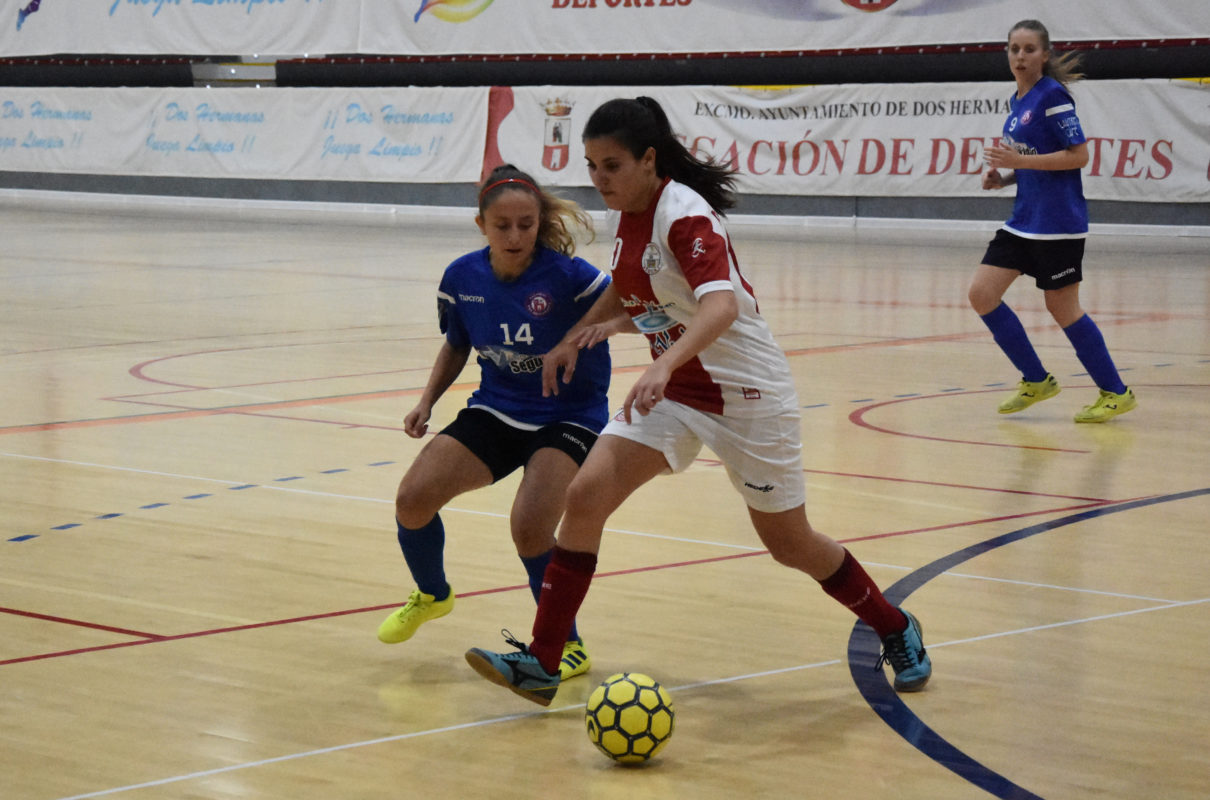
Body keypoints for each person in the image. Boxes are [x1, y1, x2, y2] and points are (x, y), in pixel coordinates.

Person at [465, 97, 931, 706]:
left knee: (789, 543)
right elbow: (633, 291)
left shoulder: (684, 214)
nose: (598, 180)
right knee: (584, 498)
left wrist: (661, 362)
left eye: (611, 165)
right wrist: (587, 329)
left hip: (745, 394)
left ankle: (895, 627)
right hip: (679, 389)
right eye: (591, 165)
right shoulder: (627, 214)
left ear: (649, 160)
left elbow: (721, 306)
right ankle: (544, 662)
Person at [378, 164, 613, 683]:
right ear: (480, 223)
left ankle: (567, 647)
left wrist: (575, 341)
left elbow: (631, 307)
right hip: (497, 408)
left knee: (530, 527)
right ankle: (433, 595)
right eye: (502, 225)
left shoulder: (572, 278)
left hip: (570, 416)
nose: (515, 236)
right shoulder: (462, 278)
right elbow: (458, 344)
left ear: (540, 221)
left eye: (526, 224)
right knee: (412, 500)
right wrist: (427, 401)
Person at [969, 19, 1136, 423]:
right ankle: (1036, 380)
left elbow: (1078, 155)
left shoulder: (1053, 97)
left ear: (1045, 55)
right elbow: (1029, 161)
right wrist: (1005, 177)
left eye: (1029, 49)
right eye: (1014, 49)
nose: (1020, 57)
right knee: (981, 294)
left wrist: (1018, 162)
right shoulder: (1018, 101)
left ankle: (1116, 392)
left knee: (1062, 308)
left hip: (1058, 224)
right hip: (1024, 220)